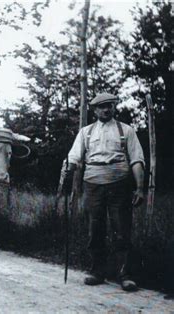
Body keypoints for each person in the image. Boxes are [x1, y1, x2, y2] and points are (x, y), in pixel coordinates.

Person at [63, 92, 145, 292]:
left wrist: (140, 188)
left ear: (114, 107)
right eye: (101, 106)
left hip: (120, 184)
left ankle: (125, 275)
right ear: (95, 110)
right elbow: (73, 158)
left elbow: (136, 160)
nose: (106, 109)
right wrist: (66, 175)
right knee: (95, 228)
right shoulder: (86, 132)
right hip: (93, 184)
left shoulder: (126, 131)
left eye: (109, 105)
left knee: (121, 228)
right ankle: (97, 271)